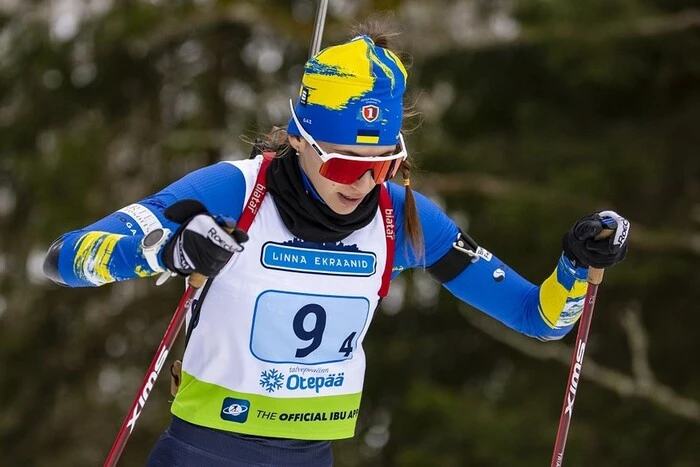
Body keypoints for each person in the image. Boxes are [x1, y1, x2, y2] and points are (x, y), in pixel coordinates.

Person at [43, 18, 629, 467]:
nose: (367, 183)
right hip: (206, 451)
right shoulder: (233, 193)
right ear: (300, 141)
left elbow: (541, 318)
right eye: (348, 167)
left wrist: (577, 263)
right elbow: (65, 259)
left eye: (385, 165)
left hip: (312, 454)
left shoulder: (402, 220)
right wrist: (167, 252)